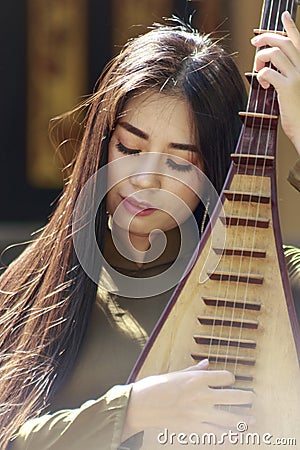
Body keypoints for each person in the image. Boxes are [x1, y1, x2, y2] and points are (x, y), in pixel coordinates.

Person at [0, 10, 299, 450]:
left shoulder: (273, 279)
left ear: (213, 169)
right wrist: (134, 409)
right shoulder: (28, 287)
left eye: (179, 161)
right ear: (102, 142)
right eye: (130, 147)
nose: (146, 178)